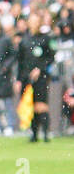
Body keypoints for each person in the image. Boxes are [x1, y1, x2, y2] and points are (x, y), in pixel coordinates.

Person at [16, 11, 56, 142]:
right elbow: (20, 62)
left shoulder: (46, 38)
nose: (34, 23)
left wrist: (40, 68)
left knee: (41, 105)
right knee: (30, 105)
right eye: (31, 21)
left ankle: (45, 133)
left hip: (41, 78)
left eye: (36, 21)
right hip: (26, 78)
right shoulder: (24, 41)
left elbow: (51, 57)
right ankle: (33, 134)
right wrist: (18, 80)